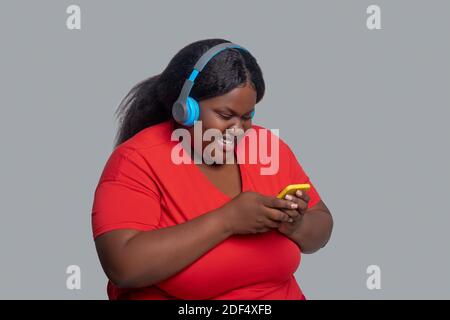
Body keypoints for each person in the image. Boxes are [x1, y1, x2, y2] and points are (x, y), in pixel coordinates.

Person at [91, 38, 333, 300]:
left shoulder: (267, 147)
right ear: (186, 110)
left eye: (247, 116)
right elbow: (123, 266)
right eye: (226, 115)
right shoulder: (136, 160)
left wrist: (295, 226)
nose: (238, 130)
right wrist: (226, 220)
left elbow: (322, 227)